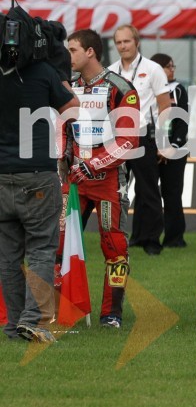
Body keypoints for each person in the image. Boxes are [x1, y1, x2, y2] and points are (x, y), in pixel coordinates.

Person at [0, 25, 77, 342]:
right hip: (38, 174)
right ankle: (34, 320)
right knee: (43, 251)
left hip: (2, 175)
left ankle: (13, 324)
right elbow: (72, 108)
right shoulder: (44, 72)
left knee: (8, 257)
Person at [61, 29, 140, 329]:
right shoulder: (68, 88)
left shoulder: (120, 87)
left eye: (73, 50)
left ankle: (111, 315)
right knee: (60, 243)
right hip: (74, 180)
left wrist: (93, 165)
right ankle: (64, 310)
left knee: (114, 246)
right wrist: (64, 165)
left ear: (90, 52)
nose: (68, 56)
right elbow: (64, 133)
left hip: (109, 180)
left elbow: (128, 141)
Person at [108, 24, 171, 255]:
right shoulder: (110, 70)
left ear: (137, 42)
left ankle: (152, 240)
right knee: (117, 191)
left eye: (127, 41)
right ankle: (124, 239)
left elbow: (165, 106)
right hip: (116, 137)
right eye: (119, 42)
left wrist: (164, 142)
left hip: (143, 136)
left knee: (148, 191)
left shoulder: (153, 69)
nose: (123, 46)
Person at [150, 53, 189, 248]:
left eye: (173, 66)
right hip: (150, 148)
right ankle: (147, 237)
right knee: (148, 194)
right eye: (168, 66)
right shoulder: (146, 89)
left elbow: (182, 122)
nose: (172, 70)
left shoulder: (178, 89)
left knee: (172, 194)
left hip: (174, 150)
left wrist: (171, 147)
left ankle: (175, 238)